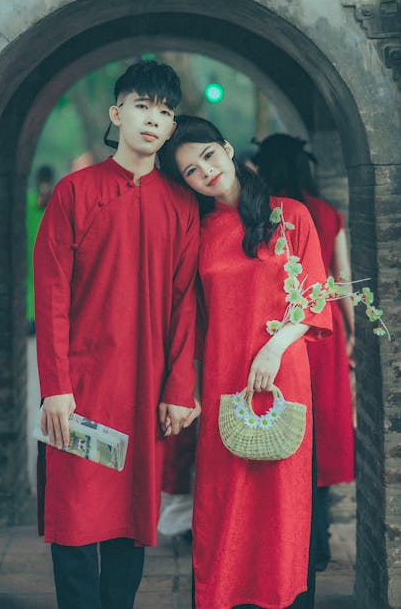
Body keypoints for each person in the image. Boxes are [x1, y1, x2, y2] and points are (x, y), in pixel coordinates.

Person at [33, 61, 201, 609]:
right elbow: (52, 294)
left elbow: (184, 304)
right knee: (76, 522)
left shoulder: (180, 204)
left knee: (131, 522)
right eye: (142, 106)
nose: (153, 119)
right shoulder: (74, 193)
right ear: (117, 113)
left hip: (144, 389)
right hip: (79, 389)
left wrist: (179, 388)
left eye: (165, 111)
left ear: (172, 128)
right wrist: (55, 386)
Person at [158, 115, 332, 609]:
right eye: (191, 171)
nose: (205, 172)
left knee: (282, 499)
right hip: (224, 379)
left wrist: (275, 348)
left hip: (282, 376)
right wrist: (183, 386)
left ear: (228, 149)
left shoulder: (290, 215)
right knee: (224, 501)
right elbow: (188, 318)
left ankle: (283, 596)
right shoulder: (198, 233)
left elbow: (316, 299)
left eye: (208, 156)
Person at [253, 133, 355, 572]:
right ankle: (318, 542)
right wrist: (350, 333)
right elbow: (342, 282)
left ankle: (281, 543)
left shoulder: (261, 214)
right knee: (317, 437)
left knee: (278, 437)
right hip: (320, 336)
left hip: (275, 335)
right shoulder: (326, 213)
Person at [26, 165, 55, 334]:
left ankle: (35, 319)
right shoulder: (34, 199)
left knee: (34, 282)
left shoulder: (49, 199)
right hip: (38, 247)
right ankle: (35, 319)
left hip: (36, 247)